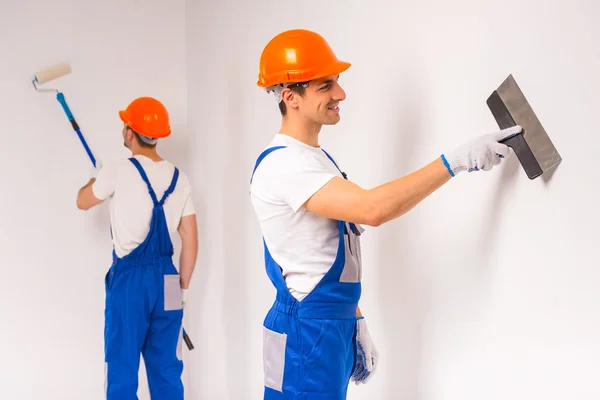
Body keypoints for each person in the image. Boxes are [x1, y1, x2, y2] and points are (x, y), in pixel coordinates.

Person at [249, 29, 522, 399]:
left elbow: (318, 252)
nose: (340, 94)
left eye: (338, 82)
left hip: (328, 327)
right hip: (306, 333)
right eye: (326, 85)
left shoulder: (315, 160)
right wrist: (455, 162)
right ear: (289, 97)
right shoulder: (285, 164)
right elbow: (373, 209)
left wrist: (354, 316)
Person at [76, 96, 198, 399]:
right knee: (168, 369)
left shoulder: (116, 170)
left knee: (122, 367)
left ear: (131, 132)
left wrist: (96, 177)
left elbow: (82, 201)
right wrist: (180, 289)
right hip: (169, 281)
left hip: (130, 281)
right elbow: (191, 239)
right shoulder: (179, 178)